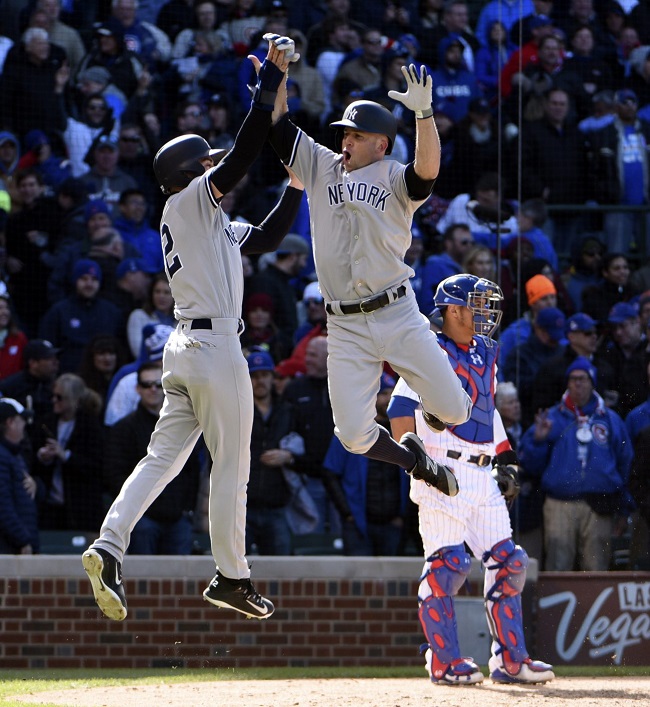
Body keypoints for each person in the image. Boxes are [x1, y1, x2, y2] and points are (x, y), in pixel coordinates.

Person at [82, 36, 302, 623]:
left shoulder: (209, 224)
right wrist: (269, 91)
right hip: (213, 348)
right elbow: (242, 156)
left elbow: (268, 239)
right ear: (188, 173)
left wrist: (297, 189)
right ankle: (232, 575)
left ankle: (108, 544)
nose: (214, 166)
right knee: (233, 468)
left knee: (163, 458)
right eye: (205, 163)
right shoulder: (186, 202)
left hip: (186, 347)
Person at [268, 56, 472, 497]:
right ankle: (416, 460)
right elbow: (279, 127)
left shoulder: (396, 177)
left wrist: (424, 115)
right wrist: (277, 75)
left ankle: (422, 399)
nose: (345, 140)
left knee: (456, 411)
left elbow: (428, 171)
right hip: (344, 324)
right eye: (343, 132)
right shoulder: (321, 166)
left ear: (381, 145)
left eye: (356, 135)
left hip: (397, 312)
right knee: (353, 436)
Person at [388, 274, 554, 685]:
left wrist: (507, 459)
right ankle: (443, 661)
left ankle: (510, 661)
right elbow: (398, 409)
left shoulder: (484, 351)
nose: (483, 313)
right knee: (448, 566)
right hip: (441, 469)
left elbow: (487, 410)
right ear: (453, 310)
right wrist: (418, 465)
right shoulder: (429, 351)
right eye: (476, 305)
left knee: (510, 561)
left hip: (482, 472)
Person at [519, 357, 633, 571]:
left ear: (592, 383)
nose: (577, 384)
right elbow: (530, 465)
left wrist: (624, 506)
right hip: (559, 504)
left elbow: (625, 462)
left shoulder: (610, 420)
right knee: (557, 565)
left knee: (597, 567)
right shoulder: (551, 418)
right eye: (572, 379)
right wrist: (539, 440)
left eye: (582, 379)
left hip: (600, 504)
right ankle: (558, 606)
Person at [105, 361, 201, 554]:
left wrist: (187, 509)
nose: (153, 389)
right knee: (142, 578)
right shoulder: (123, 429)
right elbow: (113, 474)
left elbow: (193, 470)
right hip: (141, 520)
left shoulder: (182, 425)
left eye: (159, 384)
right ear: (138, 389)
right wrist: (135, 508)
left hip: (178, 518)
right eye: (147, 385)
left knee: (180, 579)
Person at [323, 371, 409, 556]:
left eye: (392, 394)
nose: (388, 399)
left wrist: (402, 516)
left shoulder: (404, 431)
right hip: (358, 523)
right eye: (383, 394)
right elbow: (330, 473)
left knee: (392, 581)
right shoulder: (350, 429)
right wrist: (348, 514)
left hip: (393, 523)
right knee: (359, 581)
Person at [33, 372, 104, 531]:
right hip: (50, 505)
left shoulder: (90, 427)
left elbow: (96, 466)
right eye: (54, 396)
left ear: (74, 400)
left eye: (60, 397)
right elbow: (32, 457)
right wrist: (42, 456)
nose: (54, 400)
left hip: (81, 505)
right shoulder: (46, 422)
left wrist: (66, 456)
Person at [245, 348, 299, 556]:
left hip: (277, 505)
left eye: (265, 375)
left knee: (280, 572)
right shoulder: (237, 410)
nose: (260, 381)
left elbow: (309, 454)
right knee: (236, 572)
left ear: (273, 378)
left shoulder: (288, 410)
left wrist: (289, 457)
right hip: (243, 506)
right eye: (254, 376)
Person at [0, 397, 40, 555]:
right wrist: (22, 540)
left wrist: (36, 484)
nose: (25, 425)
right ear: (10, 422)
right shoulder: (3, 456)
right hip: (8, 548)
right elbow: (3, 506)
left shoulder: (14, 455)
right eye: (22, 419)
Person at [126, 272, 175, 358]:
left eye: (166, 292)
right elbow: (138, 352)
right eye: (157, 291)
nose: (161, 296)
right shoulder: (138, 316)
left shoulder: (181, 321)